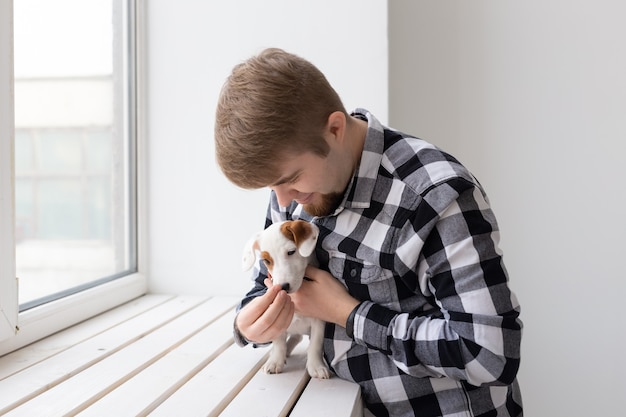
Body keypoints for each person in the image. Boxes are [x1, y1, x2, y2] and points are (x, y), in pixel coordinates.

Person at [214, 48, 523, 417]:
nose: (282, 201)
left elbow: (489, 354)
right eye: (271, 187)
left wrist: (347, 312)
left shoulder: (437, 196)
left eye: (290, 179)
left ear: (334, 129)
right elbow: (262, 281)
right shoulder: (294, 192)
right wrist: (249, 323)